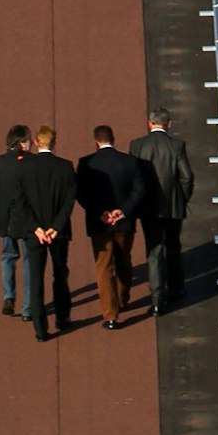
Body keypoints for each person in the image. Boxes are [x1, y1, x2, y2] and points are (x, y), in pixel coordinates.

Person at [13, 124, 77, 342]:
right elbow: (69, 202)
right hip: (58, 232)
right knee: (60, 274)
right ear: (54, 142)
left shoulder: (24, 168)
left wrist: (36, 228)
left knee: (35, 279)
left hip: (35, 234)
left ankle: (40, 329)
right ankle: (63, 317)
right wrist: (56, 227)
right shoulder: (66, 167)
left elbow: (20, 202)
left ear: (35, 143)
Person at [76, 125, 142, 330]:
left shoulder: (86, 163)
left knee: (104, 267)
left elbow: (81, 193)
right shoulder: (130, 161)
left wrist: (101, 213)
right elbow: (140, 190)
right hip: (124, 222)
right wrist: (122, 211)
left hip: (99, 224)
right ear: (113, 139)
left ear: (96, 142)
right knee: (124, 260)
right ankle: (123, 298)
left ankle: (110, 314)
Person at [130, 107, 195, 315]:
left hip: (148, 207)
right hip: (172, 205)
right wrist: (182, 198)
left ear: (149, 123)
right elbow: (187, 177)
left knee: (154, 251)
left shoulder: (137, 145)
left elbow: (134, 177)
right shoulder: (177, 146)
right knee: (173, 245)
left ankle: (157, 299)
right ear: (168, 124)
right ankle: (176, 288)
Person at [0, 125, 32, 318]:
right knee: (29, 262)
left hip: (5, 220)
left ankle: (9, 296)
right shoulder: (31, 163)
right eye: (29, 140)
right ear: (21, 142)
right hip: (28, 221)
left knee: (7, 257)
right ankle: (28, 306)